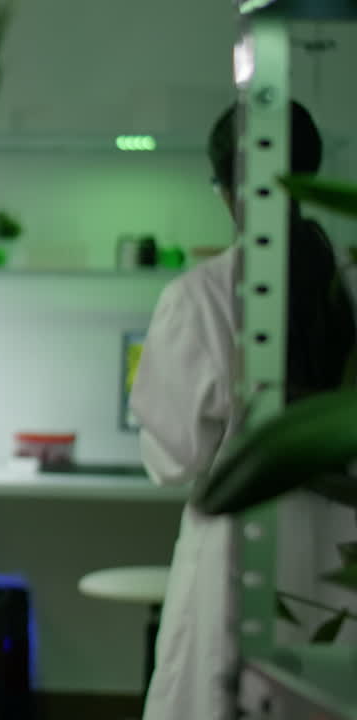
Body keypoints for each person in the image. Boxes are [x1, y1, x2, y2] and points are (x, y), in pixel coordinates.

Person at [130, 100, 356, 720]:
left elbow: (175, 461)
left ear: (227, 191)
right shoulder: (351, 287)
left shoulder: (198, 298)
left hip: (240, 554)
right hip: (343, 552)